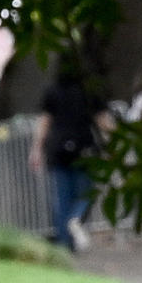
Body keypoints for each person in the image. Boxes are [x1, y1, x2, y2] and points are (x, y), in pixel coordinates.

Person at [38, 65, 102, 256]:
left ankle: (65, 245)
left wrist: (37, 148)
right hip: (83, 148)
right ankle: (76, 218)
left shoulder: (52, 92)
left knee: (62, 198)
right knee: (86, 193)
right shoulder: (89, 93)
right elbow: (103, 120)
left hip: (58, 149)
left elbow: (44, 122)